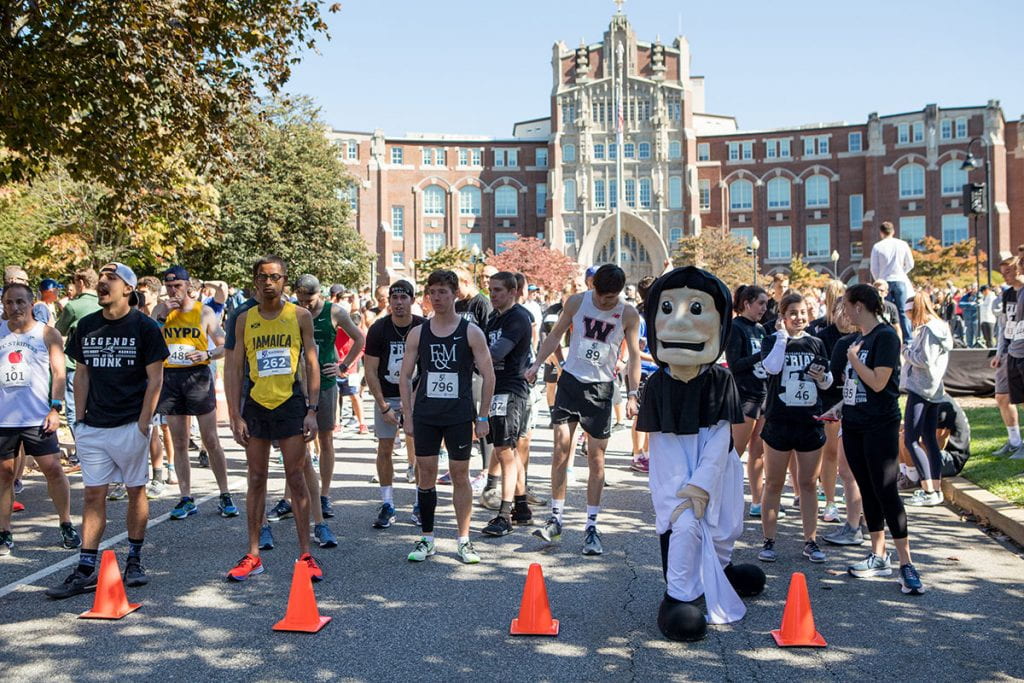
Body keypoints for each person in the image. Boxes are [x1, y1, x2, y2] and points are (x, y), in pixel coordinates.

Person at [46, 263, 167, 599]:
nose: (102, 283)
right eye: (101, 278)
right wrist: (79, 421)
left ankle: (135, 560)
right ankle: (86, 568)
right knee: (92, 495)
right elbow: (81, 374)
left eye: (111, 279)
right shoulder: (86, 325)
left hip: (130, 424)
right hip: (93, 426)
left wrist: (144, 422)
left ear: (128, 289)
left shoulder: (144, 327)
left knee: (135, 491)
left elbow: (156, 378)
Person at [525, 264, 642, 556]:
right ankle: (556, 518)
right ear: (593, 288)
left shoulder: (628, 313)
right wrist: (538, 363)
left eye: (611, 298)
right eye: (601, 297)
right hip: (571, 382)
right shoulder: (578, 301)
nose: (605, 303)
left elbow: (635, 355)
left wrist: (632, 394)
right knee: (560, 449)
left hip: (601, 389)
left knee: (596, 459)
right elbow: (554, 336)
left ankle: (591, 525)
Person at [225, 256, 323, 582]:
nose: (269, 283)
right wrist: (234, 413)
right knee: (256, 479)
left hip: (291, 403)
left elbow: (311, 362)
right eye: (263, 277)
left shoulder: (300, 316)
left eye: (275, 277)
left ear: (284, 281)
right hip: (256, 405)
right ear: (255, 281)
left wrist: (312, 410)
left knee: (296, 478)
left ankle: (306, 553)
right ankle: (253, 554)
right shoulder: (244, 319)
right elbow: (235, 368)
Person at [832, 284, 924, 595]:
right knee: (867, 489)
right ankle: (878, 554)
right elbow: (856, 387)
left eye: (846, 304)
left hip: (880, 425)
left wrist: (855, 361)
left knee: (886, 491)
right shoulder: (859, 340)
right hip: (854, 424)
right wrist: (838, 406)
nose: (843, 310)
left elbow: (879, 381)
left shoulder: (885, 336)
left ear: (860, 306)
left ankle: (906, 563)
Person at [399, 270, 494, 564]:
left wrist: (483, 415)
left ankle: (464, 540)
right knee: (425, 473)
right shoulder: (419, 332)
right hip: (426, 413)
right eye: (433, 292)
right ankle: (427, 538)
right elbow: (404, 376)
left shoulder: (470, 331)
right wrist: (408, 414)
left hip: (458, 414)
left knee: (459, 475)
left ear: (455, 295)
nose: (437, 298)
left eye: (443, 292)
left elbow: (489, 375)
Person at [150, 266, 238, 520]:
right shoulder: (160, 311)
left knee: (210, 440)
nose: (172, 291)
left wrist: (207, 354)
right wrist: (161, 317)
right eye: (168, 287)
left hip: (197, 376)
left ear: (188, 286)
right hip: (171, 377)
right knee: (178, 442)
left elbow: (225, 346)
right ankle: (186, 497)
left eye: (177, 286)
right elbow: (152, 342)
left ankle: (225, 494)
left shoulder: (205, 312)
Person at [0, 283, 81, 555]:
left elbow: (59, 373)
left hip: (37, 417)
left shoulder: (47, 333)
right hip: (4, 419)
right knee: (4, 475)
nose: (15, 308)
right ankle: (4, 531)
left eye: (20, 302)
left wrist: (55, 408)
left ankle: (66, 523)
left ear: (32, 303)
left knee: (53, 470)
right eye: (9, 302)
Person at [756, 292, 831, 564]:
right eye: (793, 314)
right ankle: (769, 539)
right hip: (779, 420)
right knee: (774, 482)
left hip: (809, 421)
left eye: (802, 313)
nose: (799, 318)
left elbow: (827, 381)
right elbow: (772, 368)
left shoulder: (817, 343)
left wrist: (822, 376)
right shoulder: (772, 341)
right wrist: (781, 338)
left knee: (808, 483)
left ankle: (811, 540)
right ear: (783, 317)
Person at [294, 274, 364, 519]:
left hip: (325, 382)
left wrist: (343, 366)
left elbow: (359, 338)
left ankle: (324, 495)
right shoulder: (293, 312)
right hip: (296, 384)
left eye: (310, 300)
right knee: (294, 443)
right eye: (301, 300)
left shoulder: (334, 312)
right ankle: (290, 497)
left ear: (320, 294)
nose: (306, 305)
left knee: (325, 440)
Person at [364, 281, 424, 528]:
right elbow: (370, 369)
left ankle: (422, 501)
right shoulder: (379, 329)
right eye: (394, 298)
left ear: (412, 300)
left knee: (422, 450)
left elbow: (429, 367)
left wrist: (413, 402)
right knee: (385, 448)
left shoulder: (423, 326)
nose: (399, 303)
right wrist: (382, 406)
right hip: (387, 394)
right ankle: (387, 503)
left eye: (403, 298)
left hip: (417, 394)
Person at [480, 272, 535, 536]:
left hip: (511, 389)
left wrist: (469, 357)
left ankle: (505, 514)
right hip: (496, 388)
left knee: (503, 449)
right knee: (508, 450)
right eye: (490, 289)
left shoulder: (518, 317)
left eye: (498, 290)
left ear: (513, 291)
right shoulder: (494, 317)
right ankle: (521, 507)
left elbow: (496, 352)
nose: (493, 294)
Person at [900, 293, 954, 506]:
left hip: (921, 388)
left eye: (909, 314)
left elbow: (924, 359)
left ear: (916, 311)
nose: (909, 319)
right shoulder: (940, 327)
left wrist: (906, 351)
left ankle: (928, 488)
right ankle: (935, 489)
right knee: (929, 439)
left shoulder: (929, 329)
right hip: (933, 388)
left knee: (911, 439)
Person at [725, 285, 768, 515]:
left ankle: (757, 501)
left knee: (758, 452)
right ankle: (721, 496)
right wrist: (761, 355)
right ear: (747, 303)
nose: (764, 307)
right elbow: (735, 364)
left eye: (766, 303)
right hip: (744, 396)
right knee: (735, 453)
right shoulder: (736, 327)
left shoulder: (760, 329)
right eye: (760, 303)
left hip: (762, 395)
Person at [55, 269, 101, 437]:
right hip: (100, 363)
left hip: (75, 363)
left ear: (80, 283)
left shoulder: (73, 306)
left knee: (74, 407)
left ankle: (81, 448)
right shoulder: (103, 304)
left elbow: (59, 330)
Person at [992, 252, 1024, 457]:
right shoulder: (1007, 294)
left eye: (1009, 271)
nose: (1006, 276)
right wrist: (999, 352)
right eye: (1003, 273)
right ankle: (1014, 441)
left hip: (1021, 350)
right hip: (1009, 350)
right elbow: (1003, 325)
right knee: (1002, 396)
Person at [869, 220, 914, 341]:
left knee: (885, 311)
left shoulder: (877, 246)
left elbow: (874, 267)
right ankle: (908, 339)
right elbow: (910, 264)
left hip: (885, 281)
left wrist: (879, 280)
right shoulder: (902, 244)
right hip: (900, 280)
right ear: (893, 231)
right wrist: (902, 272)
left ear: (881, 233)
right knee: (903, 311)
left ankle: (888, 337)